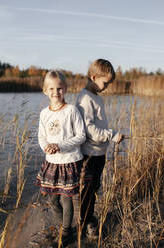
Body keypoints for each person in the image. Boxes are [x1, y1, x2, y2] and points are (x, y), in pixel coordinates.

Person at [36, 70, 86, 246]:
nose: (55, 93)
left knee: (66, 198)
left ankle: (66, 232)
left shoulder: (71, 110)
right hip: (52, 162)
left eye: (59, 88)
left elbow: (81, 136)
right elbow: (42, 137)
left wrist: (60, 146)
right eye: (51, 89)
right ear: (45, 91)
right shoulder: (44, 113)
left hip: (69, 160)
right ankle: (64, 227)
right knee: (53, 199)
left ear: (65, 89)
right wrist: (47, 148)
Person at [76, 58, 123, 239]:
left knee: (94, 187)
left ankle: (88, 218)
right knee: (87, 191)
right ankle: (84, 223)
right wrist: (111, 134)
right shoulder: (85, 98)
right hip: (89, 154)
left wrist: (111, 136)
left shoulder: (95, 96)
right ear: (94, 77)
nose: (107, 87)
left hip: (99, 153)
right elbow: (89, 129)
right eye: (105, 83)